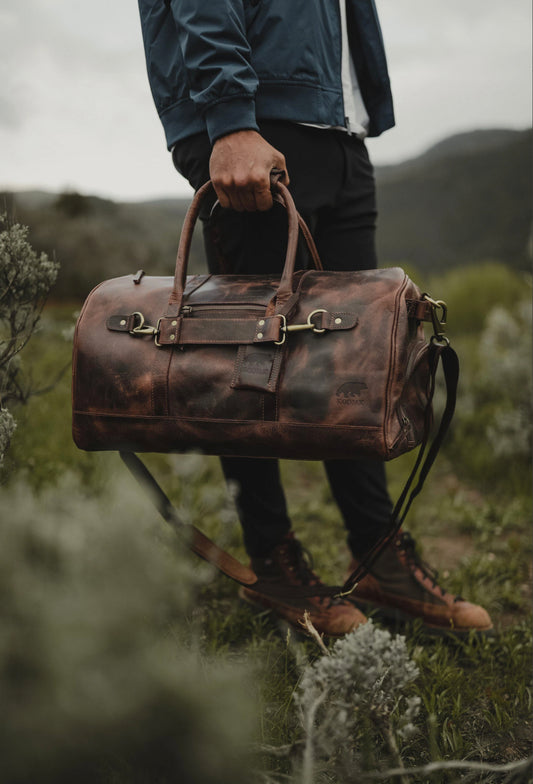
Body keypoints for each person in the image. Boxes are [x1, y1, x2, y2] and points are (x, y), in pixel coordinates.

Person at [137, 0, 493, 637]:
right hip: (256, 122)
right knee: (245, 358)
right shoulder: (240, 121)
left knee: (354, 358)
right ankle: (272, 559)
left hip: (336, 125)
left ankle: (378, 552)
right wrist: (227, 118)